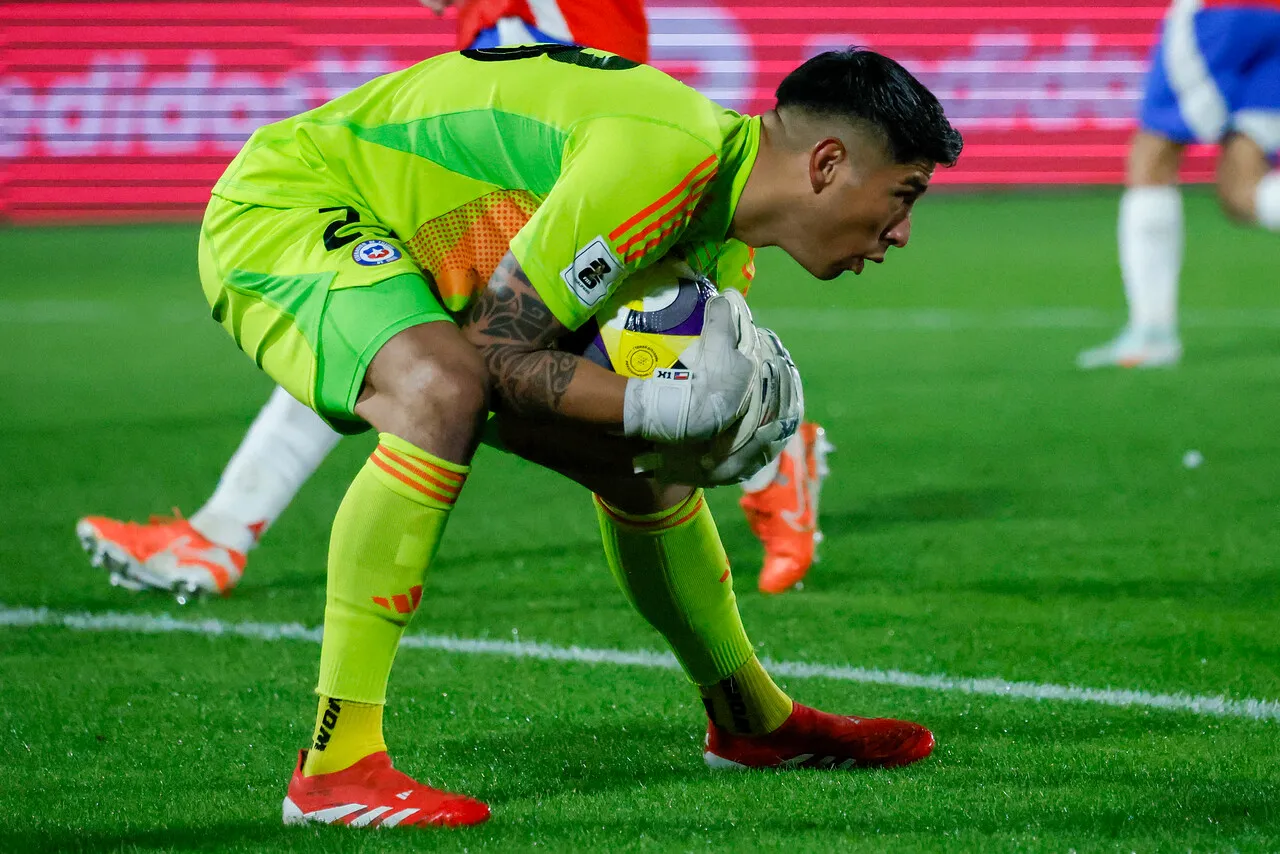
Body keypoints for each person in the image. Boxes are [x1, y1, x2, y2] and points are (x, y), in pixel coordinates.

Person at [157, 44, 960, 828]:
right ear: (826, 165)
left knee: (642, 467)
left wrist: (667, 424)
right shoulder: (659, 163)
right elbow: (497, 352)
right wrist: (661, 405)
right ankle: (337, 768)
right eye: (906, 193)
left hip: (423, 248)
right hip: (290, 204)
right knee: (442, 390)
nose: (903, 232)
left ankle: (750, 717)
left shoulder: (718, 234)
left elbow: (580, 383)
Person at [77, 0, 831, 599]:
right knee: (387, 332)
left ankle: (766, 445)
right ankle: (223, 529)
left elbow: (596, 108)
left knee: (439, 351)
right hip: (583, 166)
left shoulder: (551, 22)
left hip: (574, 174)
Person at [1077, 0, 1280, 369]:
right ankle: (1151, 335)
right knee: (1243, 192)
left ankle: (1152, 335)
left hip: (1221, 13)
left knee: (1152, 155)